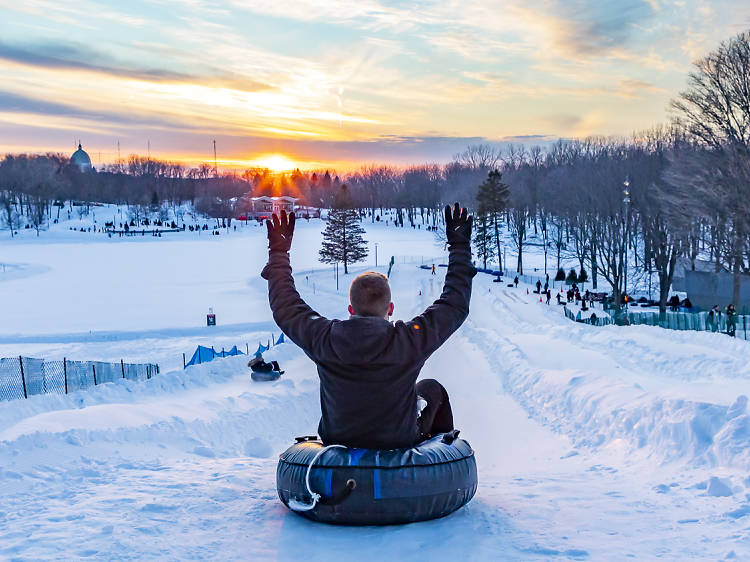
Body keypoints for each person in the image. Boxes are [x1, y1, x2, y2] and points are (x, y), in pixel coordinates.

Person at [261, 204, 475, 449]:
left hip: (338, 440)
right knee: (432, 390)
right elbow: (454, 305)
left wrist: (278, 253)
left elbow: (285, 306)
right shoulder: (408, 341)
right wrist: (459, 248)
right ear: (390, 309)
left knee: (426, 388)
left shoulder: (324, 338)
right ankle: (438, 465)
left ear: (350, 309)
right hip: (398, 440)